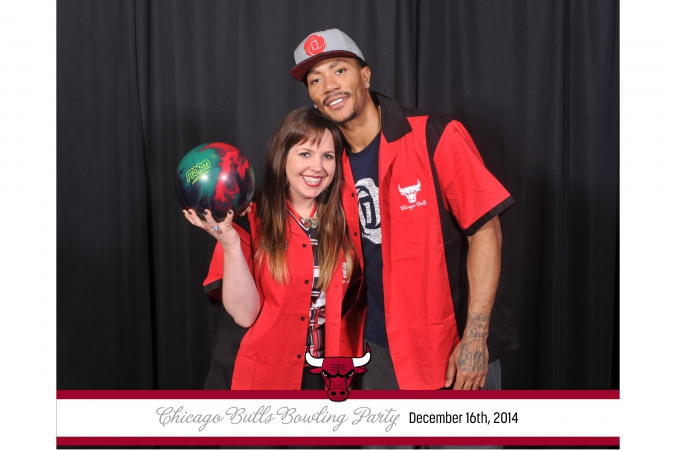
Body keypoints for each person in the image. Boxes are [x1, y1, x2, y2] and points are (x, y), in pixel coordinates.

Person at [289, 29, 518, 391]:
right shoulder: (328, 166)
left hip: (452, 349)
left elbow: (486, 231)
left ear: (365, 75)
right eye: (315, 80)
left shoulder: (434, 134)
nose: (328, 85)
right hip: (379, 349)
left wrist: (476, 339)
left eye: (339, 70)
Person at [184, 107, 365, 390]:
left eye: (327, 156)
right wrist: (230, 244)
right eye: (305, 153)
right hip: (256, 377)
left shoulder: (346, 224)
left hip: (323, 379)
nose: (317, 167)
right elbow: (244, 315)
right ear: (283, 157)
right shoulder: (247, 218)